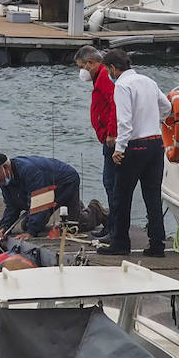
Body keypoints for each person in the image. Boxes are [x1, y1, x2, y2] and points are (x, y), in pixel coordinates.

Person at [98, 49, 171, 257]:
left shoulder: (121, 85)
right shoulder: (148, 81)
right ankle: (157, 244)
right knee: (152, 196)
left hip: (135, 145)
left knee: (122, 196)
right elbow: (166, 106)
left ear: (112, 68)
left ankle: (120, 243)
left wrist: (119, 149)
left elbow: (125, 121)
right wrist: (154, 121)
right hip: (156, 144)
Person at [0, 153, 92, 239]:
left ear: (5, 167)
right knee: (26, 225)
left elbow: (40, 203)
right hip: (45, 185)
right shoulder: (4, 181)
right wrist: (5, 227)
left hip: (65, 182)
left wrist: (31, 233)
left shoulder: (30, 171)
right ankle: (76, 206)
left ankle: (95, 210)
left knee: (71, 227)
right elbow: (12, 206)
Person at [74, 45, 116, 231]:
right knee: (110, 183)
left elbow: (115, 104)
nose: (81, 72)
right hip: (106, 137)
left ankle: (114, 227)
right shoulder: (99, 78)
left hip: (111, 139)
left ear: (90, 63)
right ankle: (113, 224)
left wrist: (111, 133)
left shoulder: (105, 78)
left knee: (111, 183)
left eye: (81, 67)